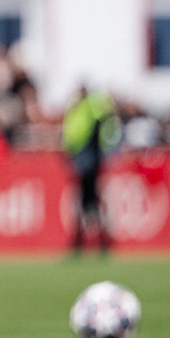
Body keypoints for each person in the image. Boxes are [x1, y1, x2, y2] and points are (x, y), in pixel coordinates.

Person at [63, 83, 119, 257]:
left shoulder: (87, 108)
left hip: (88, 159)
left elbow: (82, 133)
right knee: (88, 201)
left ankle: (90, 242)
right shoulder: (82, 109)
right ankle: (95, 241)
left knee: (89, 201)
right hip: (84, 159)